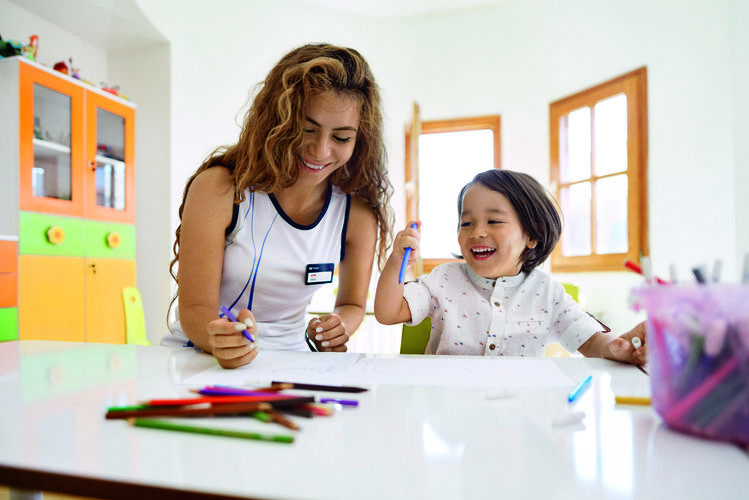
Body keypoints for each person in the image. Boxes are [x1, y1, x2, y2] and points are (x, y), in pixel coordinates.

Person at [167, 43, 393, 368]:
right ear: (277, 121)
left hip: (294, 362)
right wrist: (220, 338)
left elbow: (352, 305)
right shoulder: (218, 189)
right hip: (201, 357)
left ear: (360, 141)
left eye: (341, 138)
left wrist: (338, 326)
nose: (320, 150)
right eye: (305, 129)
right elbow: (194, 310)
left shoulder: (358, 214)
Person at [374, 169, 646, 363]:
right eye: (466, 223)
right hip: (451, 411)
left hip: (521, 414)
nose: (477, 232)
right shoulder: (443, 279)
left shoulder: (547, 292)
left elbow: (591, 341)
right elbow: (387, 312)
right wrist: (397, 259)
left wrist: (619, 347)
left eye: (493, 221)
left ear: (532, 235)